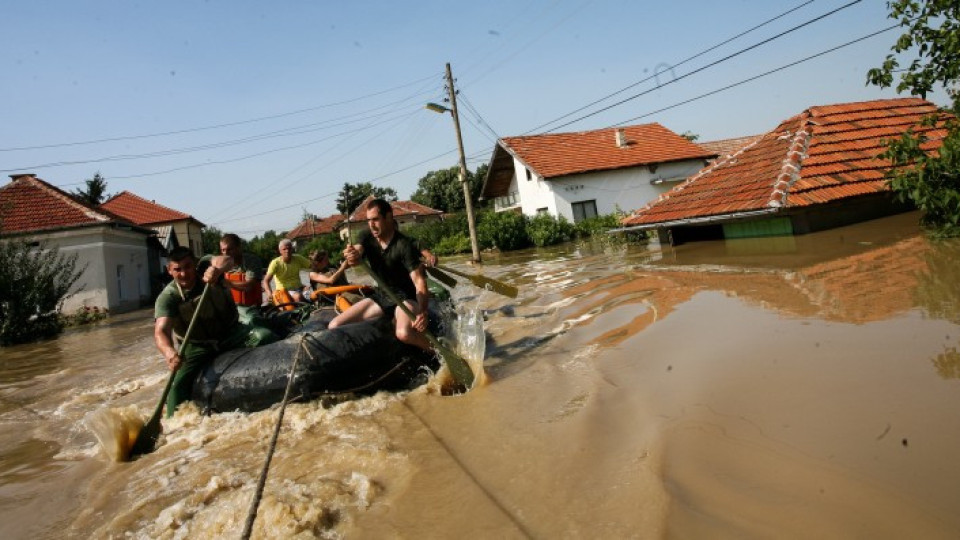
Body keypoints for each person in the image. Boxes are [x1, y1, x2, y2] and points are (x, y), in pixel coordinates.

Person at [154, 247, 277, 417]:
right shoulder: (168, 297)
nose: (184, 273)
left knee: (265, 336)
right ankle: (172, 423)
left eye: (188, 266)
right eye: (177, 269)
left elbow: (228, 260)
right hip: (197, 346)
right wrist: (169, 353)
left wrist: (217, 270)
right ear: (169, 270)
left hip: (231, 333)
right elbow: (161, 331)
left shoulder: (206, 268)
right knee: (177, 385)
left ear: (195, 264)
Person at [328, 198, 430, 350]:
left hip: (406, 298)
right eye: (369, 220)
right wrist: (353, 254)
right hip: (382, 296)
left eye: (375, 219)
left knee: (403, 334)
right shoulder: (367, 236)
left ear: (388, 217)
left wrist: (423, 312)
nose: (371, 224)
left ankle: (433, 350)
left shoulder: (404, 245)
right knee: (334, 325)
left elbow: (419, 282)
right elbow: (358, 250)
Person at [219, 233, 265, 308]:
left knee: (250, 319)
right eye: (223, 250)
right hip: (229, 307)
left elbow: (248, 286)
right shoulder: (220, 264)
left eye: (229, 249)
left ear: (239, 248)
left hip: (249, 307)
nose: (226, 253)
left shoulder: (252, 261)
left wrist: (225, 282)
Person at [262, 239, 312, 304]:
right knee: (298, 297)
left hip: (299, 287)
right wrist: (269, 293)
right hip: (284, 290)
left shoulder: (298, 258)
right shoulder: (275, 263)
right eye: (284, 249)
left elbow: (312, 266)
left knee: (314, 296)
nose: (287, 251)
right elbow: (266, 280)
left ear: (292, 249)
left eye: (289, 248)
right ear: (280, 251)